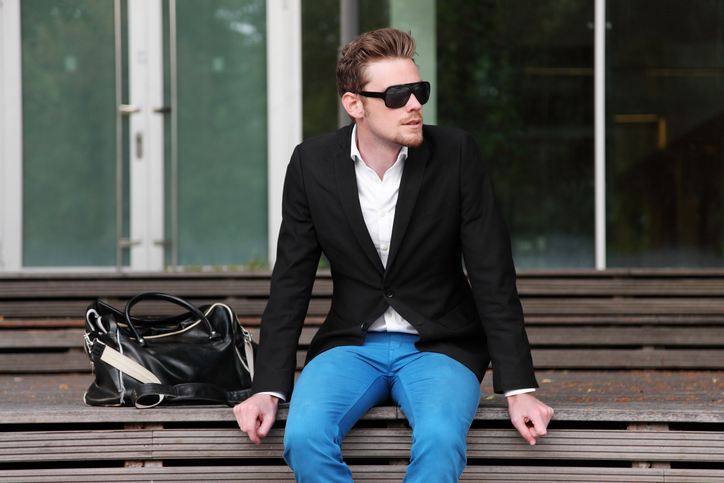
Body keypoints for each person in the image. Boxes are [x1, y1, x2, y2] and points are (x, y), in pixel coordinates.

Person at [234, 28, 553, 482]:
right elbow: (290, 281)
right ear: (354, 104)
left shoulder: (457, 154)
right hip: (350, 344)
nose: (414, 105)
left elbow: (492, 275)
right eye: (398, 95)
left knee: (441, 439)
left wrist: (517, 388)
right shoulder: (311, 164)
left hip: (441, 347)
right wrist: (267, 387)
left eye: (419, 91)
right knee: (303, 437)